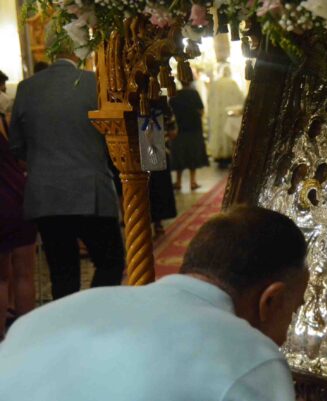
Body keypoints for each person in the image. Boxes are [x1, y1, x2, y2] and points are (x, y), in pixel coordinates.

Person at [0, 206, 309, 401]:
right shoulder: (249, 358)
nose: (285, 336)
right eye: (294, 311)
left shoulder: (42, 318)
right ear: (271, 300)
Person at [8, 34, 124, 300]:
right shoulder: (95, 83)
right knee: (110, 262)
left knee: (62, 273)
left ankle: (69, 319)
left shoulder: (27, 87)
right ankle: (92, 314)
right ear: (80, 48)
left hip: (46, 194)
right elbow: (114, 137)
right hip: (91, 191)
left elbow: (16, 145)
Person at [0, 112, 36, 339]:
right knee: (25, 274)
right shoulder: (4, 120)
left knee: (1, 279)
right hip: (19, 197)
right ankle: (26, 337)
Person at [169, 81, 209, 191]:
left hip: (179, 129)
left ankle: (178, 181)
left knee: (179, 155)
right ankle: (193, 182)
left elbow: (170, 112)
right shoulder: (194, 94)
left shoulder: (175, 95)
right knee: (193, 155)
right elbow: (201, 110)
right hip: (194, 128)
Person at [208, 64, 244, 169]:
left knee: (219, 134)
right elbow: (240, 99)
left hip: (217, 116)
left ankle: (219, 157)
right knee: (228, 134)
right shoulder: (232, 83)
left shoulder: (215, 84)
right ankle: (228, 157)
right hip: (229, 114)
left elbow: (210, 101)